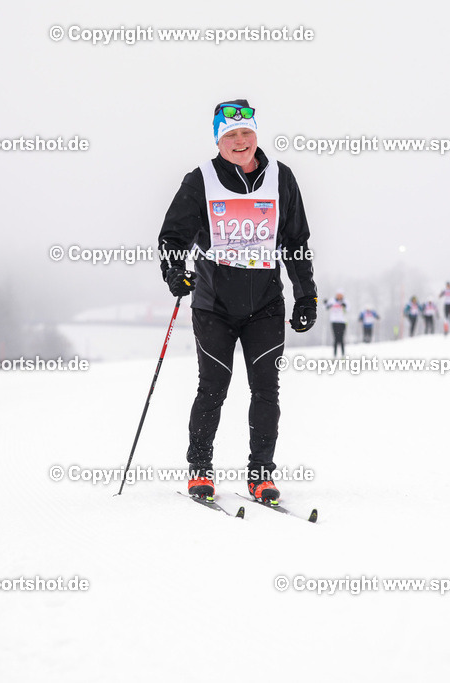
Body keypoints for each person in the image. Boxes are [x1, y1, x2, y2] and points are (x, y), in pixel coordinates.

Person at [157, 99, 318, 504]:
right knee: (213, 389)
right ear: (218, 140)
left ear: (256, 134)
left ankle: (261, 475)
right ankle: (200, 471)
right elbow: (172, 238)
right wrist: (175, 273)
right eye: (230, 135)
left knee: (266, 391)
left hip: (265, 305)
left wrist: (306, 294)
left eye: (246, 132)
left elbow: (297, 241)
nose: (240, 141)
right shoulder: (200, 181)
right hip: (214, 306)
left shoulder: (281, 178)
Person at [324, 290, 348, 357]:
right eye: (338, 295)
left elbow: (348, 309)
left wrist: (345, 306)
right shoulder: (332, 301)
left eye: (341, 295)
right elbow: (326, 307)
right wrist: (325, 303)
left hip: (342, 322)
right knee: (336, 338)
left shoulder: (345, 301)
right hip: (334, 322)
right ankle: (335, 355)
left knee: (341, 338)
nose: (339, 297)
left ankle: (343, 354)